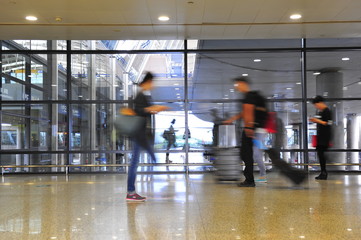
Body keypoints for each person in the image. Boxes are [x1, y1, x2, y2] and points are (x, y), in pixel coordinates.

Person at [126, 72, 169, 201]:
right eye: (151, 82)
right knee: (135, 162)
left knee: (140, 160)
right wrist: (152, 108)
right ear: (147, 82)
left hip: (141, 135)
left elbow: (144, 112)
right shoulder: (140, 95)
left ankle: (131, 191)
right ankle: (130, 192)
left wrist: (154, 109)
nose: (153, 85)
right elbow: (137, 111)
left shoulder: (143, 95)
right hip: (139, 134)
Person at [224, 76, 267, 187]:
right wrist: (232, 119)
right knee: (249, 154)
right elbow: (245, 112)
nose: (236, 87)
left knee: (246, 154)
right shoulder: (253, 96)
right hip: (258, 129)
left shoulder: (248, 97)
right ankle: (250, 178)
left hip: (252, 129)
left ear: (242, 84)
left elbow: (248, 113)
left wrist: (248, 128)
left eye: (237, 84)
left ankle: (250, 180)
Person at [309, 95, 332, 180]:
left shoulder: (327, 111)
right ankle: (323, 172)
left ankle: (324, 172)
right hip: (321, 136)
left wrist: (317, 120)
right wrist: (314, 120)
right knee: (320, 154)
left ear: (320, 103)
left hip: (324, 137)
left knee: (321, 154)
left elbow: (328, 123)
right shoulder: (321, 112)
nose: (316, 106)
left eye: (316, 104)